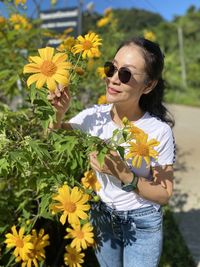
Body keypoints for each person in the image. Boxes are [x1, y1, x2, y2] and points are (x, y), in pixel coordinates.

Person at [48, 37, 176, 267]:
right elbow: (53, 136)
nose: (113, 79)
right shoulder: (92, 116)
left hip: (142, 222)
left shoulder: (159, 131)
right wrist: (58, 113)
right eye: (111, 68)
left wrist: (124, 174)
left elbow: (164, 194)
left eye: (126, 74)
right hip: (102, 216)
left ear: (148, 85)